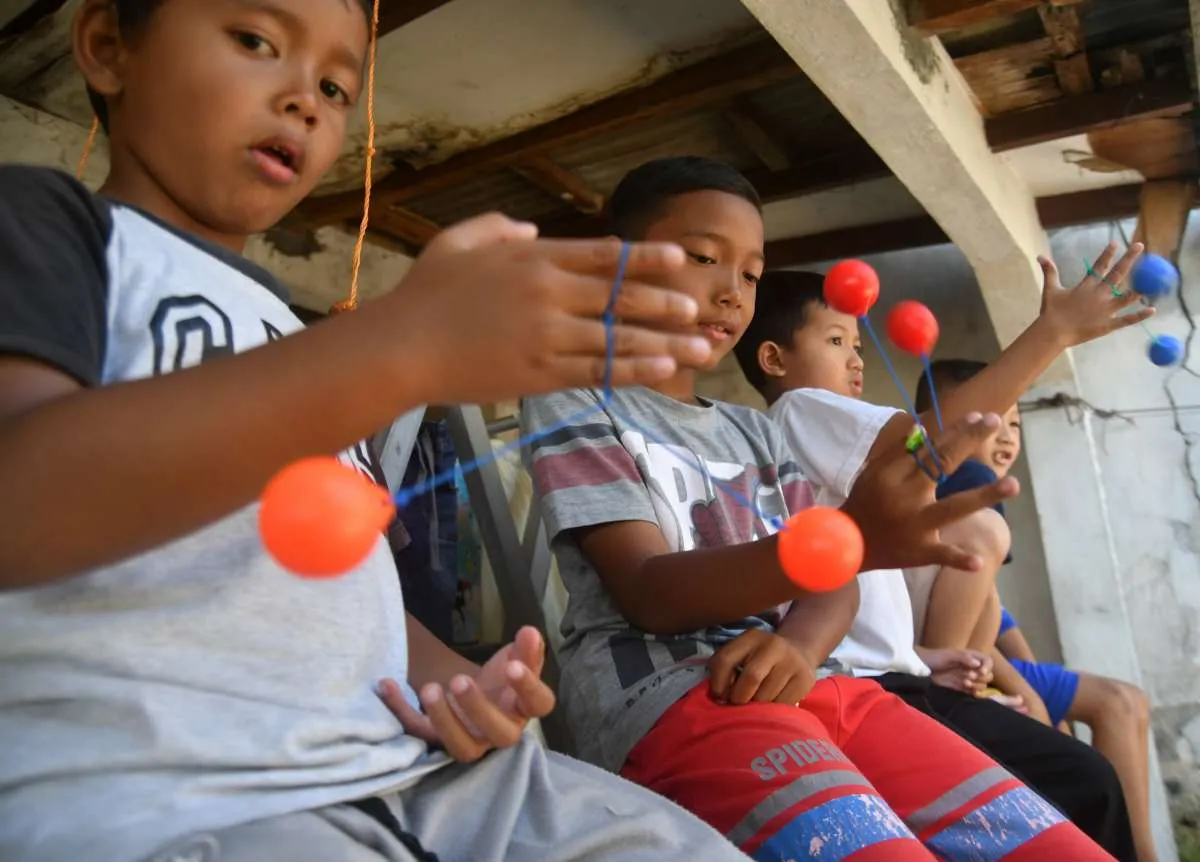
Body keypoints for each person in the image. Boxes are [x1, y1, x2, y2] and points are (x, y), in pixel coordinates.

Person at [0, 2, 775, 860]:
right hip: (176, 791)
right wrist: (392, 348)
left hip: (415, 772)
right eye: (257, 41)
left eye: (336, 88)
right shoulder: (52, 227)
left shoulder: (305, 343)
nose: (305, 100)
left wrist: (458, 681)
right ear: (108, 49)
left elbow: (354, 594)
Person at [523, 155, 1117, 860]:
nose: (730, 291)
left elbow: (833, 586)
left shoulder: (756, 430)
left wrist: (804, 640)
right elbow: (650, 591)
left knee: (1058, 847)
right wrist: (847, 537)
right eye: (703, 257)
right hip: (674, 694)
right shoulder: (577, 400)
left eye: (748, 273)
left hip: (819, 682)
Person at [733, 268, 1145, 859]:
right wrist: (1051, 333)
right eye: (834, 341)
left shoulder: (814, 441)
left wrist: (921, 657)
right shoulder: (801, 409)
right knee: (1084, 783)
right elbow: (924, 445)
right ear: (774, 359)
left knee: (1071, 785)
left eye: (857, 344)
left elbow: (859, 599)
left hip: (898, 680)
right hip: (872, 693)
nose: (856, 359)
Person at [920, 359, 1159, 862]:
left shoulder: (974, 484)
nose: (1007, 437)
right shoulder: (968, 479)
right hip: (956, 665)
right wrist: (1027, 691)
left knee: (1126, 702)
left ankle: (1142, 851)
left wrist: (1036, 687)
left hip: (978, 654)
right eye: (993, 420)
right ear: (948, 419)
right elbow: (968, 639)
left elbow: (997, 615)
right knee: (1115, 705)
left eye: (1016, 424)